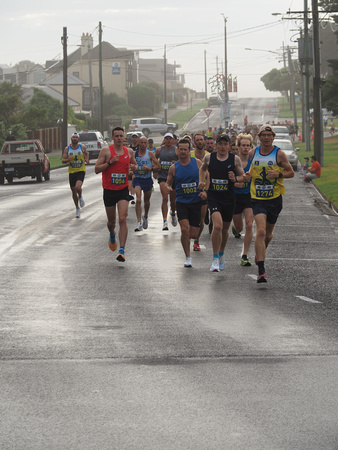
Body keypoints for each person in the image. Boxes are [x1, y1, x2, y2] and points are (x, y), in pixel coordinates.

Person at [238, 124, 294, 283]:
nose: (266, 137)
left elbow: (291, 173)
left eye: (269, 135)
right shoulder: (252, 153)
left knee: (268, 234)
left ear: (273, 137)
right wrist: (246, 176)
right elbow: (250, 172)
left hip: (274, 199)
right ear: (259, 137)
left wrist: (278, 174)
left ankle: (259, 252)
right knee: (260, 232)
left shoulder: (279, 154)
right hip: (257, 199)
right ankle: (261, 270)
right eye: (263, 135)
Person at [199, 134, 244, 272]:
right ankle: (214, 258)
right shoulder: (209, 158)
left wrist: (235, 178)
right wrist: (201, 180)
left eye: (225, 144)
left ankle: (222, 253)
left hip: (229, 198)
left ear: (229, 146)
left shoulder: (235, 159)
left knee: (225, 230)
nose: (223, 147)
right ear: (216, 145)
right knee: (217, 226)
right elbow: (202, 168)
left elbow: (243, 179)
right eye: (220, 144)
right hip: (214, 197)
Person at [94, 127, 137, 262]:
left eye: (121, 136)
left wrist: (134, 168)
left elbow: (134, 165)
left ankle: (122, 250)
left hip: (123, 190)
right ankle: (112, 234)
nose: (119, 138)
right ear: (112, 138)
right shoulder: (106, 151)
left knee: (122, 219)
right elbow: (96, 169)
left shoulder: (129, 152)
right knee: (111, 222)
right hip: (109, 191)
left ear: (124, 138)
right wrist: (109, 162)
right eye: (116, 136)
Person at [166, 139, 205, 267]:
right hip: (181, 202)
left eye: (185, 149)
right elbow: (168, 182)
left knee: (193, 234)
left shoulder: (198, 163)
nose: (183, 152)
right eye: (181, 149)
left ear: (189, 151)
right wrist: (168, 187)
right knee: (184, 229)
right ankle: (187, 257)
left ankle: (190, 241)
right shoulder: (173, 168)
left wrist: (205, 190)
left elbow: (207, 177)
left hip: (196, 201)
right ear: (177, 151)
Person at [232, 133, 254, 266]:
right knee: (240, 228)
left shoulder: (253, 161)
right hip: (235, 196)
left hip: (249, 196)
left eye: (248, 145)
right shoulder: (234, 161)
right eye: (243, 145)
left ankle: (244, 255)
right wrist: (235, 183)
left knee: (250, 224)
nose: (245, 148)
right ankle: (235, 229)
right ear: (238, 147)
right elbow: (228, 179)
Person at [132, 136, 160, 231]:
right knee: (138, 200)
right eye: (142, 142)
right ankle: (139, 222)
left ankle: (146, 216)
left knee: (146, 201)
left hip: (147, 179)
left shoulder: (150, 154)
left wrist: (150, 169)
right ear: (138, 143)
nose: (143, 144)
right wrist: (133, 168)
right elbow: (129, 165)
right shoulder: (134, 154)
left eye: (145, 143)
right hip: (138, 179)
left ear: (147, 144)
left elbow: (158, 166)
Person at [62, 132, 89, 218]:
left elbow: (86, 154)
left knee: (78, 187)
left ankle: (80, 197)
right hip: (72, 172)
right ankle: (77, 208)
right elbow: (63, 160)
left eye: (76, 138)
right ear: (71, 139)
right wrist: (67, 159)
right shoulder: (67, 149)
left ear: (78, 139)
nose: (74, 139)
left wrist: (87, 159)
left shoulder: (82, 147)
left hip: (81, 170)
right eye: (73, 137)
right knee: (73, 191)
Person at [155, 132, 178, 230]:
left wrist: (176, 163)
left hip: (173, 178)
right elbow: (154, 159)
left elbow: (182, 160)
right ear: (164, 140)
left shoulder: (176, 150)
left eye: (170, 139)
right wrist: (156, 168)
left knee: (173, 201)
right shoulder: (159, 150)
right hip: (163, 176)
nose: (168, 141)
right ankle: (164, 221)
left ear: (173, 140)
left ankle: (173, 213)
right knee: (165, 198)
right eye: (166, 139)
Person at [190, 132, 209, 251]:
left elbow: (211, 174)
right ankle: (189, 235)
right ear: (194, 142)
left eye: (201, 140)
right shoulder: (190, 155)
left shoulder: (209, 156)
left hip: (204, 190)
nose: (200, 142)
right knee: (191, 217)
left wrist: (206, 189)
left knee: (201, 219)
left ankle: (197, 240)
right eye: (197, 140)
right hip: (191, 190)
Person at [128, 133, 140, 204]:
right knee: (131, 181)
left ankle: (137, 195)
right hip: (130, 166)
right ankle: (132, 196)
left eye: (136, 137)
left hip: (138, 165)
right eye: (133, 137)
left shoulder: (140, 147)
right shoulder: (129, 148)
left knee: (134, 179)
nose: (134, 139)